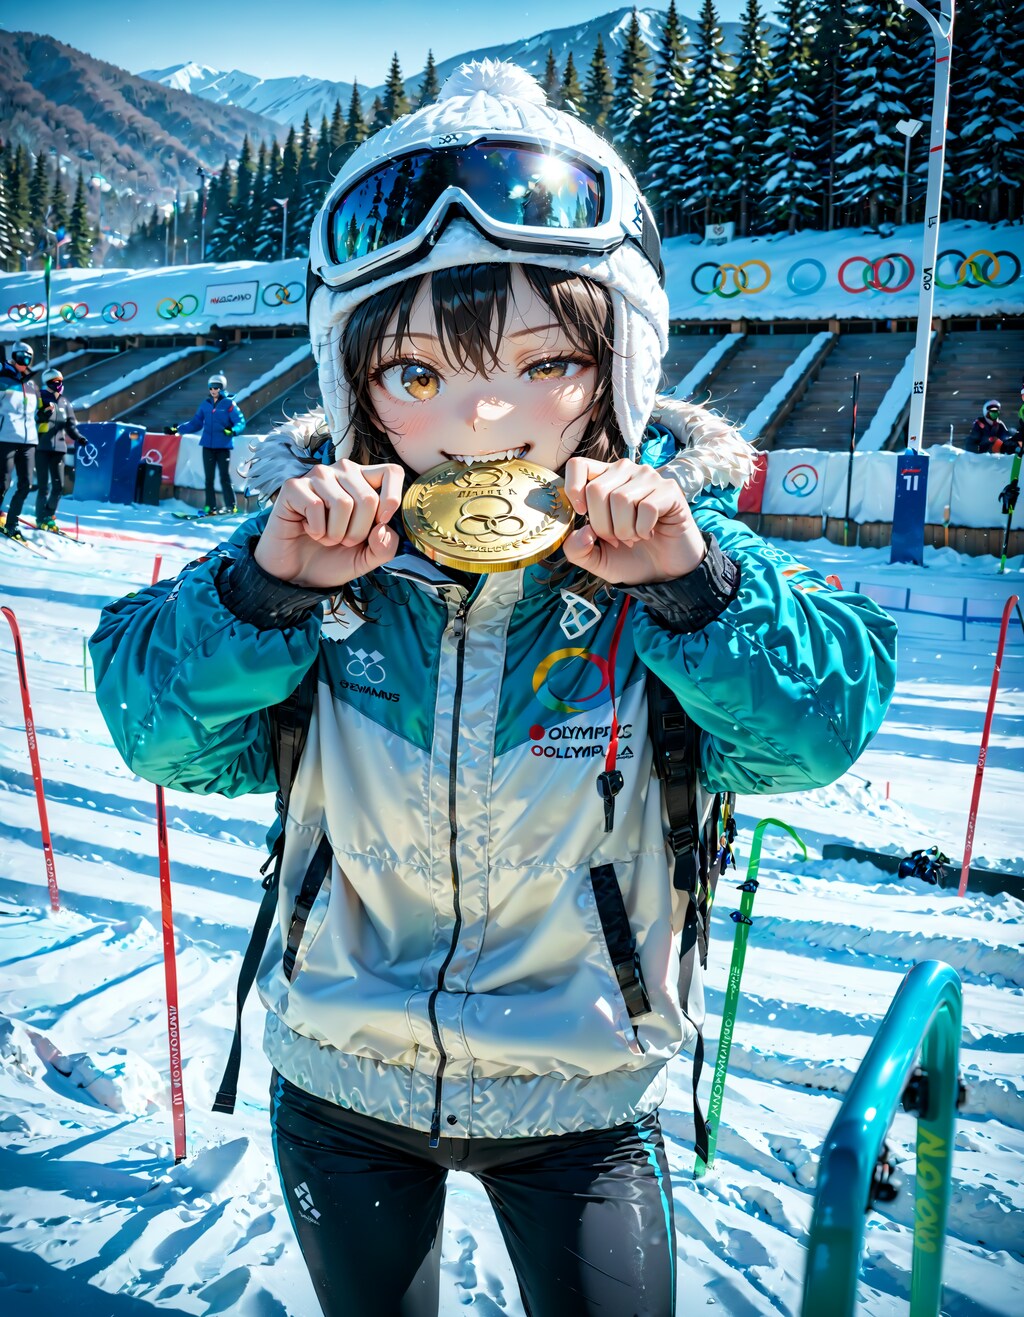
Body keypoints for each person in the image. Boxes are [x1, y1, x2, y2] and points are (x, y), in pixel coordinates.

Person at [91, 62, 898, 1317]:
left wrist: (692, 588)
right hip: (341, 1079)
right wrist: (263, 597)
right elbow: (155, 733)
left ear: (616, 369)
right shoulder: (308, 556)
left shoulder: (673, 559)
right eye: (415, 373)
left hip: (582, 1099)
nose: (481, 412)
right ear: (350, 383)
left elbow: (816, 735)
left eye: (544, 364)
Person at [166, 372, 245, 513]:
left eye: (217, 387)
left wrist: (232, 430)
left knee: (224, 477)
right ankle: (210, 506)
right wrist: (177, 428)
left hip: (223, 446)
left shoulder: (229, 404)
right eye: (211, 387)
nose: (214, 390)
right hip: (207, 446)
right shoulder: (205, 404)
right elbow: (195, 423)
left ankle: (231, 506)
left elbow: (240, 421)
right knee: (209, 478)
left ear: (222, 387)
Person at [0, 340, 41, 542]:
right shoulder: (2, 379)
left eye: (28, 358)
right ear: (13, 356)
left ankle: (12, 523)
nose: (24, 362)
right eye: (20, 357)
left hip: (28, 441)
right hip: (5, 438)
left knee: (26, 484)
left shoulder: (32, 385)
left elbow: (35, 412)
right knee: (3, 483)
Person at [35, 367, 82, 531]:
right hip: (41, 447)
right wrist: (42, 414)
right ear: (47, 383)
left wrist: (78, 438)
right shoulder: (39, 397)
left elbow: (71, 425)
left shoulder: (65, 402)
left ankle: (49, 515)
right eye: (55, 382)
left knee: (58, 486)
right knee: (44, 486)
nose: (59, 385)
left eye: (61, 381)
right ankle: (40, 518)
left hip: (59, 448)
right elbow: (33, 417)